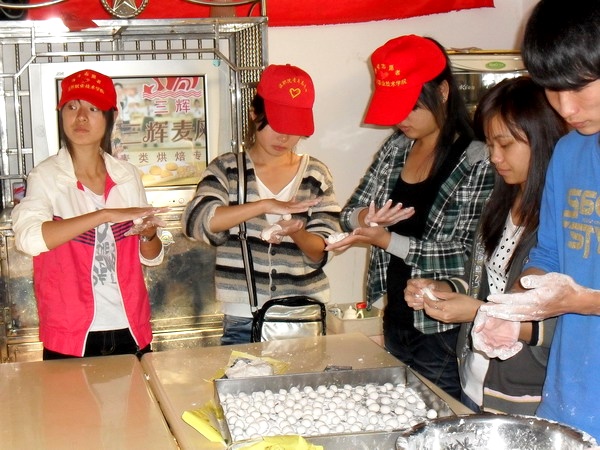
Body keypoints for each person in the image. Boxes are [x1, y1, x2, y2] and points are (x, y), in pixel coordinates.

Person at [325, 35, 495, 399]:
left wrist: (388, 240)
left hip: (442, 326)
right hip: (396, 316)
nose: (400, 119)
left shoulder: (476, 159)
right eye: (394, 108)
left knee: (438, 412)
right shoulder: (397, 147)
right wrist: (366, 220)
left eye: (410, 107)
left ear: (443, 92)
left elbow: (469, 253)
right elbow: (348, 213)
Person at [471, 0, 600, 440]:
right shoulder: (570, 152)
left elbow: (575, 295)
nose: (565, 107)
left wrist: (579, 300)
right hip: (568, 398)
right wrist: (515, 307)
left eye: (579, 86)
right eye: (551, 88)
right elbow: (548, 255)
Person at [405, 76, 567, 414]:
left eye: (505, 145)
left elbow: (566, 321)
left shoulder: (564, 220)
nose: (494, 157)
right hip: (475, 381)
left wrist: (478, 311)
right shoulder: (500, 203)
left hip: (528, 396)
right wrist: (443, 289)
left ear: (542, 138)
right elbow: (484, 283)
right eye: (490, 144)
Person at [182, 64, 341, 345]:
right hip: (243, 317)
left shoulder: (315, 173)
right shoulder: (228, 169)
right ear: (254, 114)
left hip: (303, 315)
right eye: (277, 123)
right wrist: (264, 205)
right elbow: (197, 221)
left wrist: (296, 231)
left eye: (293, 127)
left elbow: (323, 248)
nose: (284, 137)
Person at [11, 69, 165, 360]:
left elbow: (151, 257)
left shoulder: (127, 175)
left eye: (93, 109)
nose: (80, 117)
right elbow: (29, 240)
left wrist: (149, 235)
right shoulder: (46, 176)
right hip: (71, 333)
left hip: (130, 326)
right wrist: (103, 215)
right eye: (72, 107)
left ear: (111, 117)